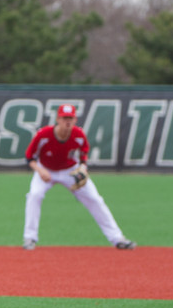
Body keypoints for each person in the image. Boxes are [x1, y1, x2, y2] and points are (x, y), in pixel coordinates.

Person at [21, 104, 135, 251]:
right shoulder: (44, 134)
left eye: (70, 118)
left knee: (95, 199)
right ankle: (29, 238)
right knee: (34, 195)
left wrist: (83, 168)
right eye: (64, 118)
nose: (67, 121)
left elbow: (84, 154)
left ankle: (117, 238)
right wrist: (40, 170)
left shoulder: (79, 135)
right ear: (58, 119)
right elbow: (29, 156)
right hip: (45, 170)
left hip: (70, 171)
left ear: (75, 119)